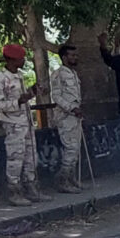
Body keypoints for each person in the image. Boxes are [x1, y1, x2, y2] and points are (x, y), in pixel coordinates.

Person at [0, 44, 50, 206]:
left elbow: (23, 98)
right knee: (15, 158)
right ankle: (14, 192)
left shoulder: (20, 76)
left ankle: (31, 188)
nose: (23, 61)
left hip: (26, 123)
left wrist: (32, 92)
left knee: (31, 157)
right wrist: (18, 101)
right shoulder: (0, 80)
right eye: (20, 58)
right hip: (13, 125)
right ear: (11, 59)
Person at [50, 45, 83, 194]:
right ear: (64, 58)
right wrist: (71, 108)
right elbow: (56, 97)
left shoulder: (74, 74)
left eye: (76, 55)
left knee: (76, 149)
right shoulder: (58, 74)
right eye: (72, 55)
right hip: (65, 117)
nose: (75, 57)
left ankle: (71, 178)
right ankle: (63, 180)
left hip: (75, 117)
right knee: (70, 148)